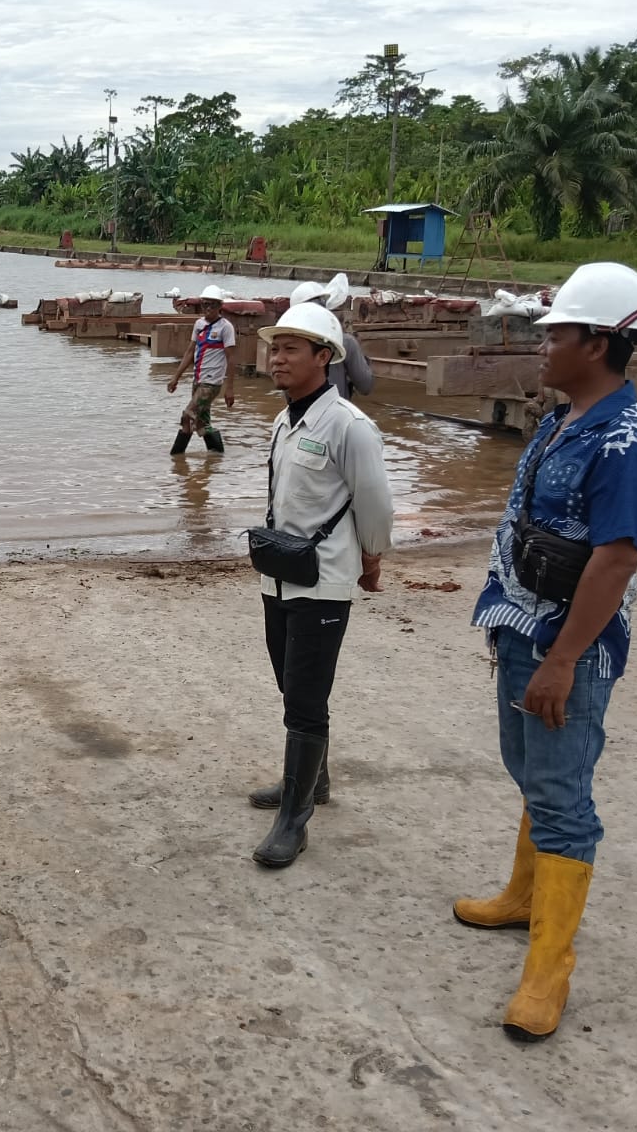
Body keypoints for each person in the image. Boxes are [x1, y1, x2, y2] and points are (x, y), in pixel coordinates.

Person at [455, 261, 637, 1042]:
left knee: (562, 796)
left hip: (565, 645)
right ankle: (523, 896)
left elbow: (615, 561)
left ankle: (550, 968)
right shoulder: (562, 417)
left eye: (558, 333)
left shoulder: (625, 444)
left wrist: (561, 659)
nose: (542, 343)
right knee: (530, 768)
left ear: (602, 342)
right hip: (523, 624)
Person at [248, 303, 394, 868]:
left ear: (324, 358)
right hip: (280, 575)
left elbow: (375, 504)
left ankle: (295, 819)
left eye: (291, 349)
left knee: (305, 700)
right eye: (275, 347)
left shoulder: (351, 427)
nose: (277, 358)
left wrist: (372, 560)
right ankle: (313, 782)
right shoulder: (285, 421)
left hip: (325, 584)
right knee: (291, 684)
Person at [166, 283, 236, 454]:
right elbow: (190, 352)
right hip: (198, 380)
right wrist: (176, 377)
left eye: (212, 304)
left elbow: (231, 358)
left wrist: (230, 389)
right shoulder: (199, 325)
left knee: (187, 415)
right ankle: (216, 456)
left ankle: (176, 457)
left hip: (211, 383)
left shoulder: (225, 327)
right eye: (205, 304)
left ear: (220, 306)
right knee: (201, 423)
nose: (208, 308)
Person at [290, 279, 374, 401]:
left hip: (301, 417)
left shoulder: (289, 346)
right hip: (336, 416)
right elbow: (365, 386)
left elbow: (288, 394)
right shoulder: (345, 342)